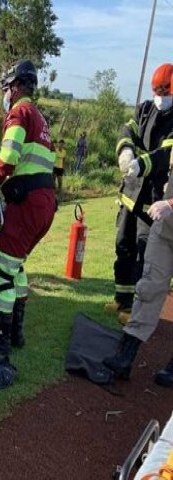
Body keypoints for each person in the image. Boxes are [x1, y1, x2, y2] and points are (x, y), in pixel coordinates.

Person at [0, 59, 57, 355]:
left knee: (2, 275)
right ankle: (17, 333)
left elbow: (9, 154)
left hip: (27, 204)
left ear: (16, 86)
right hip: (45, 203)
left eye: (6, 88)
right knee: (17, 266)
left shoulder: (20, 113)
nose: (5, 95)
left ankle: (1, 337)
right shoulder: (39, 117)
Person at [103, 65, 173, 385]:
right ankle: (125, 356)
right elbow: (127, 129)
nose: (160, 100)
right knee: (149, 283)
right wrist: (126, 150)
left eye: (166, 93)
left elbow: (165, 153)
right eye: (157, 92)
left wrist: (141, 165)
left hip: (163, 204)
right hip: (163, 215)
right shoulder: (146, 110)